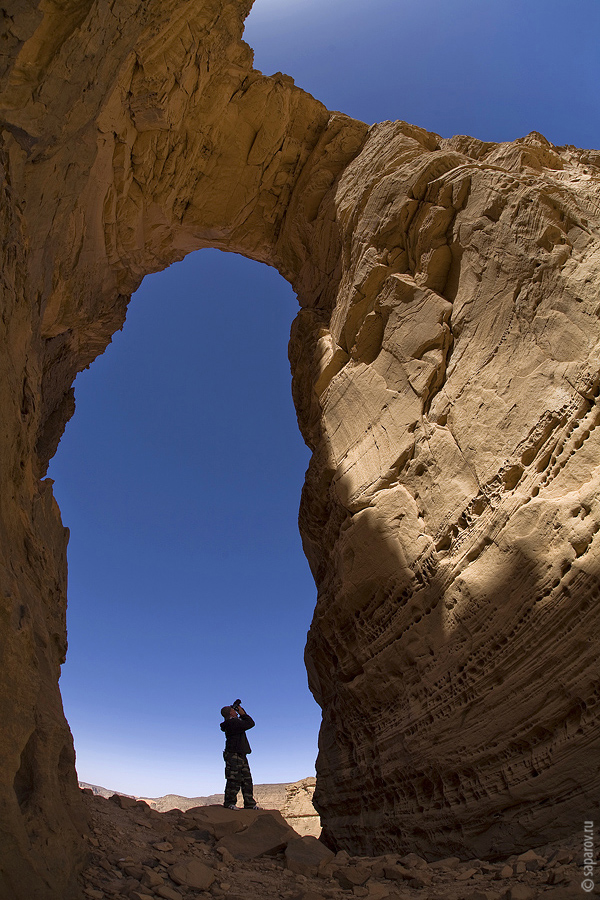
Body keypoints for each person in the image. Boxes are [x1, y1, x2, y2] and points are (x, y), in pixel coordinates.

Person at [220, 703, 259, 809]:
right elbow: (250, 723)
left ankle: (250, 804)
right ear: (230, 713)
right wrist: (243, 713)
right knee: (234, 779)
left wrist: (241, 712)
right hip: (233, 755)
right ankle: (229, 803)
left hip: (240, 754)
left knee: (246, 779)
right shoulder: (233, 723)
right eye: (234, 710)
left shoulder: (234, 723)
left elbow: (247, 723)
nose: (236, 711)